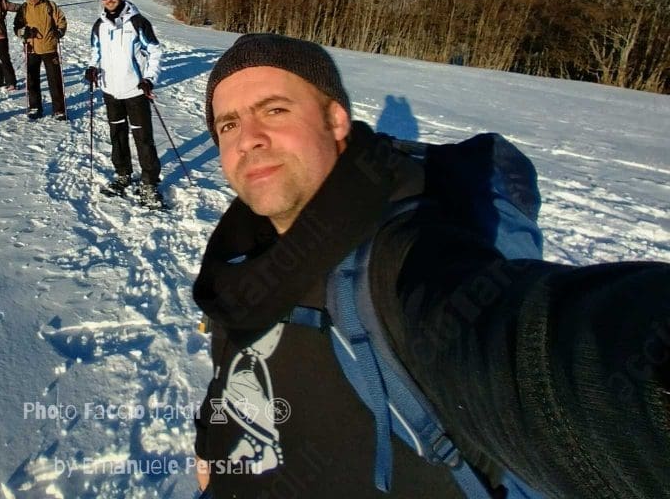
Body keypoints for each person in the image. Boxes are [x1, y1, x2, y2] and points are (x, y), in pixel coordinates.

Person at [193, 33, 670, 498]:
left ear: (336, 119)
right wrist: (208, 447)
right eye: (228, 124)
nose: (248, 139)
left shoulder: (397, 257)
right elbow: (236, 363)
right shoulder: (239, 250)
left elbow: (539, 351)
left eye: (274, 110)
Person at [85, 0, 164, 208]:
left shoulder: (137, 22)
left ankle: (149, 182)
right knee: (117, 134)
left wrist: (149, 79)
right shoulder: (99, 25)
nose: (108, 0)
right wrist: (91, 68)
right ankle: (123, 174)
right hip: (110, 90)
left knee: (143, 138)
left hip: (135, 90)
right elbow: (95, 52)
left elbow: (155, 52)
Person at [13, 0, 68, 120]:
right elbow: (16, 27)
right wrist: (22, 32)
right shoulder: (24, 8)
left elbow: (61, 19)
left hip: (49, 46)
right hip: (32, 47)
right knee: (32, 79)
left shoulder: (50, 5)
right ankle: (35, 107)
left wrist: (60, 31)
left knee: (55, 80)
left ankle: (59, 110)